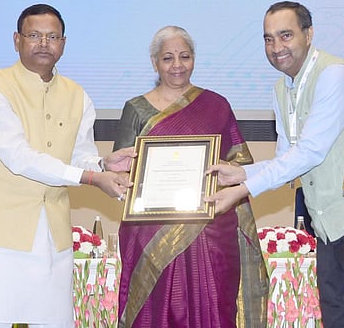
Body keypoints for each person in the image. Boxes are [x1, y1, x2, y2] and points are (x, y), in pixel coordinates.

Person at [206, 1, 344, 327]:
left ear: (309, 34)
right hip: (326, 227)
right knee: (339, 320)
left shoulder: (334, 75)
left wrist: (244, 189)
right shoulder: (281, 88)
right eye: (268, 39)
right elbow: (288, 158)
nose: (276, 47)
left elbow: (310, 152)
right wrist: (241, 173)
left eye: (286, 35)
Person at [0, 3, 135, 328]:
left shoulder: (78, 96)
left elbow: (80, 155)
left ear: (63, 44)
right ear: (17, 40)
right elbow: (19, 157)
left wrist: (102, 163)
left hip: (53, 237)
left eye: (52, 37)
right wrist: (91, 177)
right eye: (34, 35)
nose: (43, 44)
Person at [113, 25, 268, 328]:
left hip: (211, 229)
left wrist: (214, 172)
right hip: (151, 231)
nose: (177, 65)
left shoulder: (216, 105)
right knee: (157, 310)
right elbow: (121, 170)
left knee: (215, 306)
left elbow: (239, 164)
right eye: (168, 58)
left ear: (194, 59)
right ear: (154, 62)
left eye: (184, 56)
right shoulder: (136, 109)